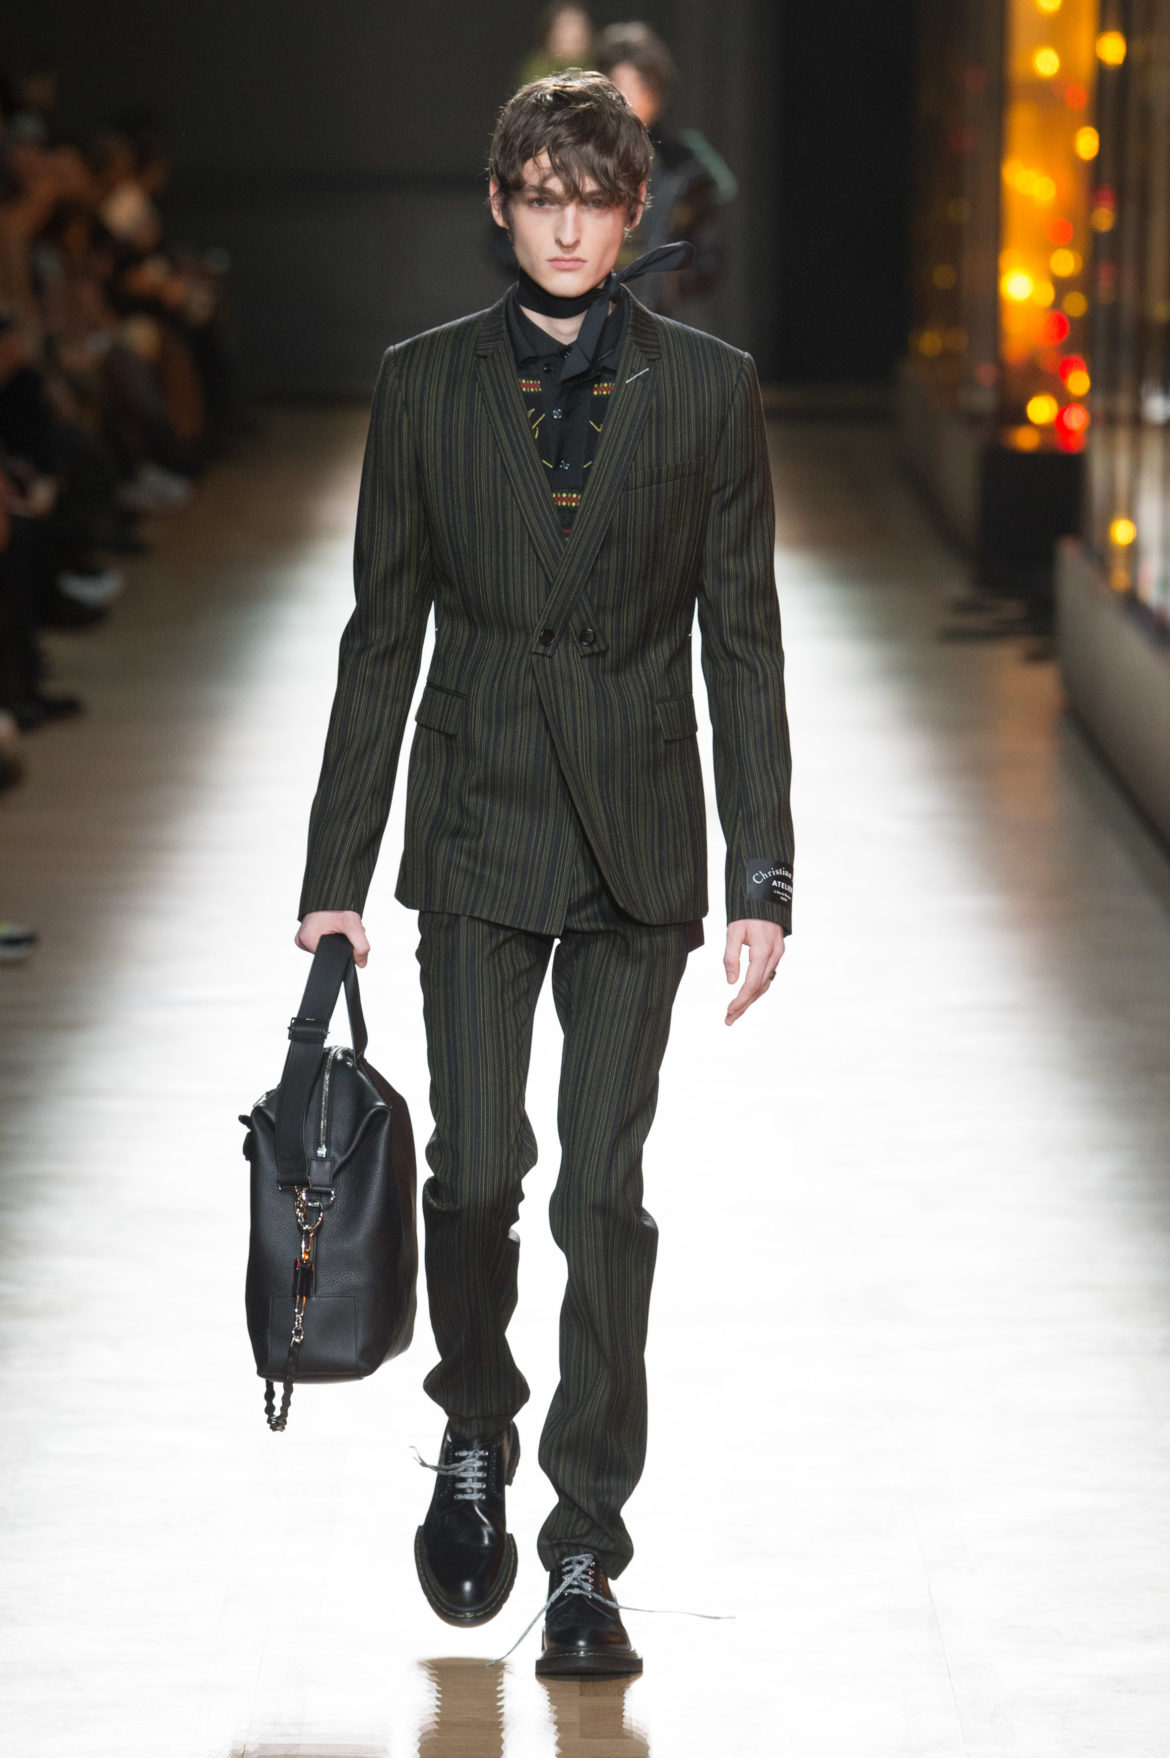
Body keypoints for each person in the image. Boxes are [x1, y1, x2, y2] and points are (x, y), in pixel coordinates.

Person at [295, 70, 794, 1679]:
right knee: (472, 1173)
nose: (567, 226)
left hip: (637, 843)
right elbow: (382, 634)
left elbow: (742, 639)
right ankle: (473, 1422)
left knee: (598, 1193)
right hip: (476, 829)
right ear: (502, 205)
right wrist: (335, 873)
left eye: (594, 199)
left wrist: (761, 872)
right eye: (540, 195)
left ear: (633, 213)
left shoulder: (707, 391)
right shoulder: (421, 385)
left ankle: (583, 1546)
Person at [594, 21, 737, 328]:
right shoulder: (576, 161)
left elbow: (709, 257)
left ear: (658, 93)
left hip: (655, 322)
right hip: (580, 320)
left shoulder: (683, 170)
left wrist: (669, 280)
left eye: (643, 87)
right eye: (621, 87)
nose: (632, 99)